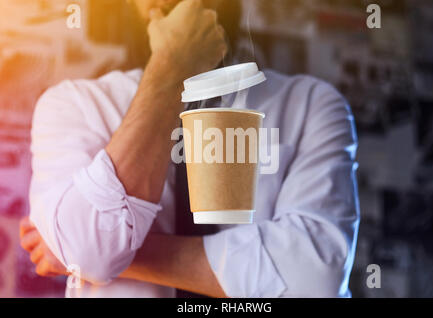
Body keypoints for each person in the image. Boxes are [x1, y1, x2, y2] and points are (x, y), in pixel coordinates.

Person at [20, 0, 360, 298]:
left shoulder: (313, 105)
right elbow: (86, 251)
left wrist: (104, 254)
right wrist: (173, 68)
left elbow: (314, 279)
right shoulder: (71, 105)